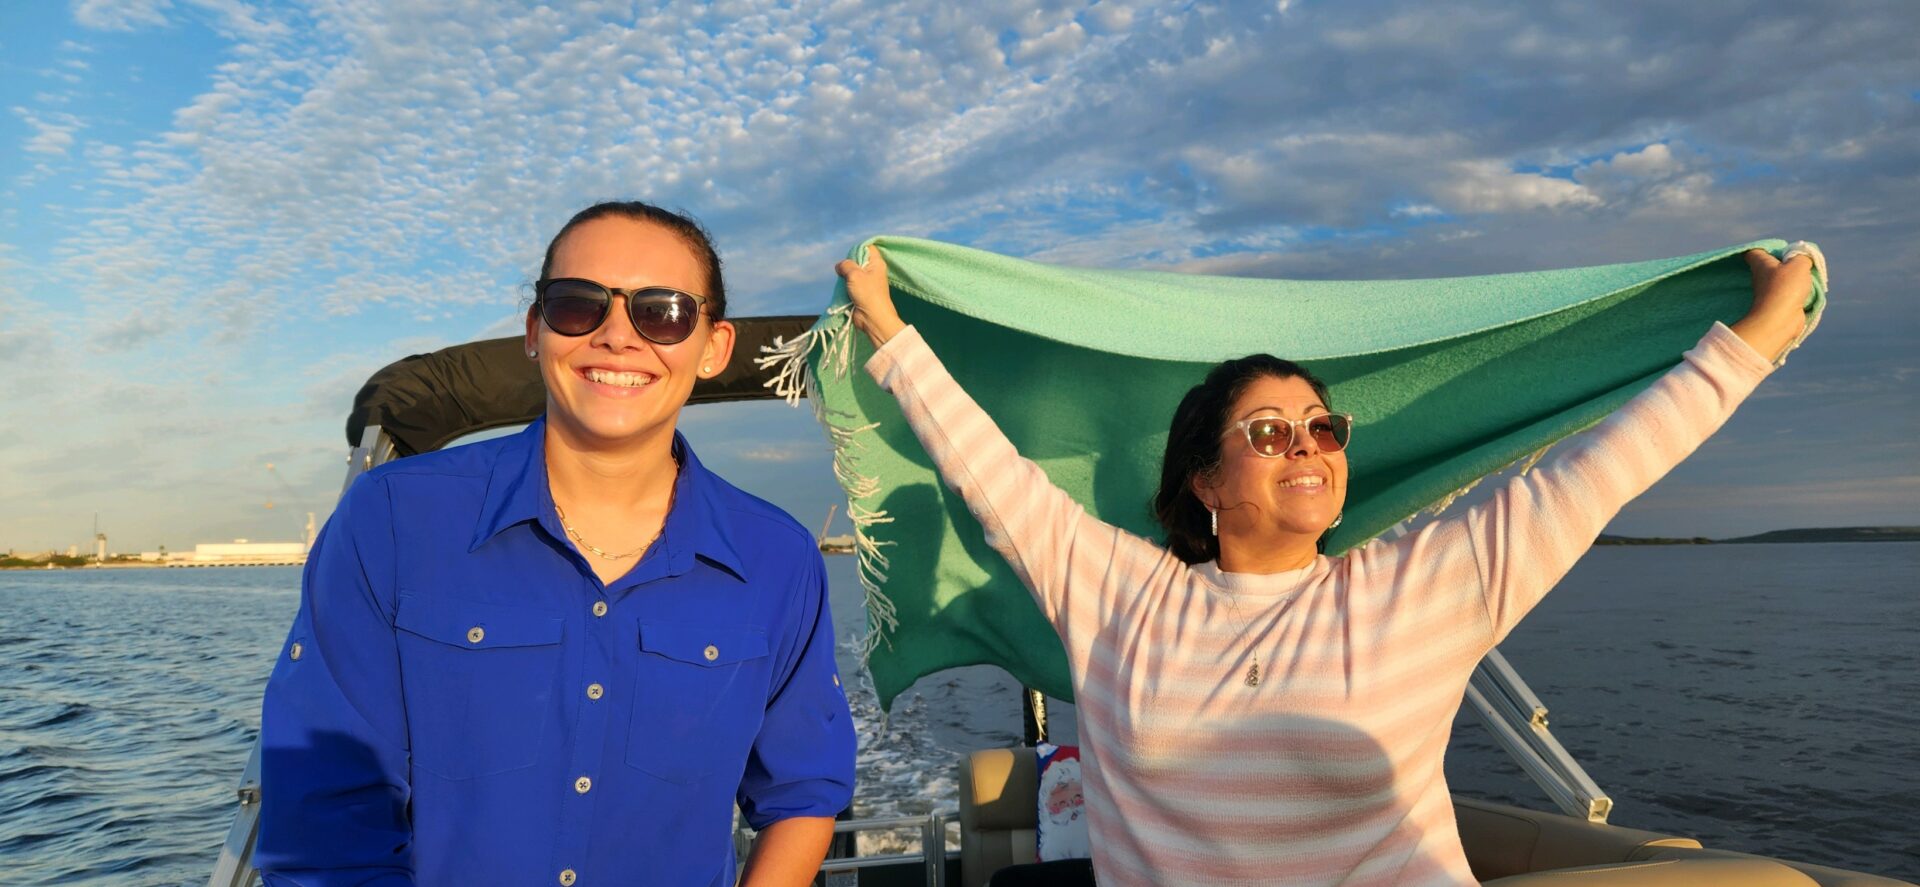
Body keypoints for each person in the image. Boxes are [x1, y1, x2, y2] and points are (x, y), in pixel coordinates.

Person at [836, 245, 1817, 886]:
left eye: (1323, 426)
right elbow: (989, 473)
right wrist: (887, 324)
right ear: (1205, 480)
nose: (1307, 444)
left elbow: (1599, 473)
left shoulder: (1422, 587)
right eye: (1268, 431)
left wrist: (1758, 338)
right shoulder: (1117, 592)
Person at [256, 202, 856, 886]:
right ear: (535, 331)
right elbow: (327, 816)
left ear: (714, 346)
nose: (617, 337)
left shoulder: (778, 559)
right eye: (578, 305)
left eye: (662, 312)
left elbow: (801, 793)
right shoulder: (392, 520)